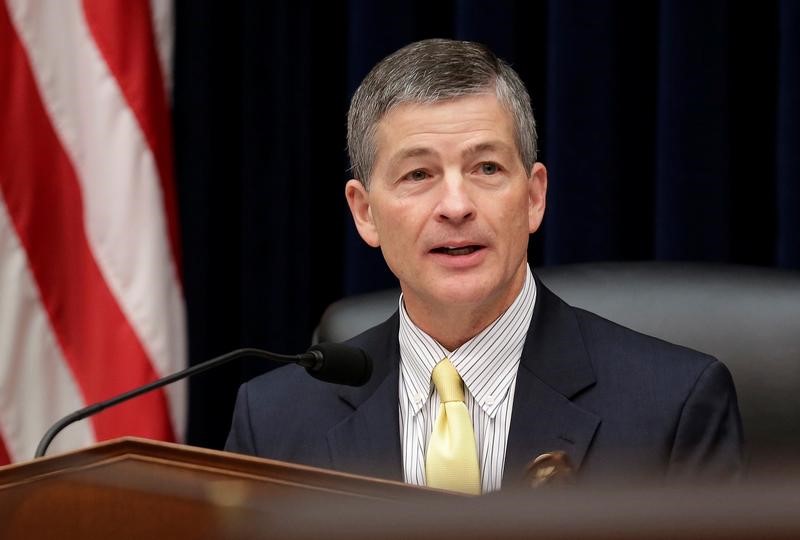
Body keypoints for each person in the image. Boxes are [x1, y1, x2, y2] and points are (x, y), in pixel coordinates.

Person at [225, 38, 744, 493]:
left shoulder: (674, 406)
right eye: (418, 174)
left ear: (534, 196)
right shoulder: (273, 422)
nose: (456, 205)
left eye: (486, 168)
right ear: (365, 213)